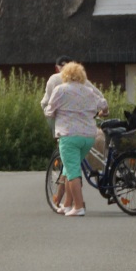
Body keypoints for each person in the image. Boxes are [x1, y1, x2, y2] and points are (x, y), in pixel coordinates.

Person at [43, 61, 108, 217]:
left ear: (65, 75)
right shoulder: (88, 91)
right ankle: (66, 205)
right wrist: (102, 112)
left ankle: (78, 206)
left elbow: (49, 111)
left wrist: (53, 113)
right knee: (69, 167)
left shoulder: (60, 90)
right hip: (89, 136)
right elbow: (104, 104)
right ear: (81, 75)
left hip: (69, 136)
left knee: (72, 171)